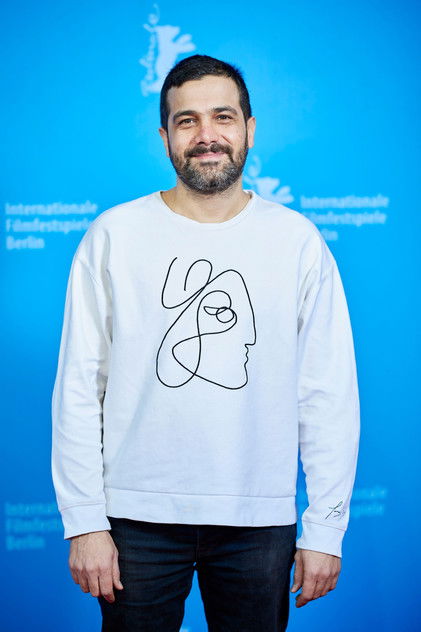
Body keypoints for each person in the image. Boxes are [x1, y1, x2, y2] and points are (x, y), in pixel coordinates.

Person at [51, 54, 360, 631]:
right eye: (187, 120)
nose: (207, 135)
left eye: (223, 116)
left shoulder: (297, 242)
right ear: (165, 137)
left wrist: (326, 527)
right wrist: (85, 521)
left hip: (258, 519)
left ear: (249, 129)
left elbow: (327, 394)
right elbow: (79, 386)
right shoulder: (114, 235)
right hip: (133, 518)